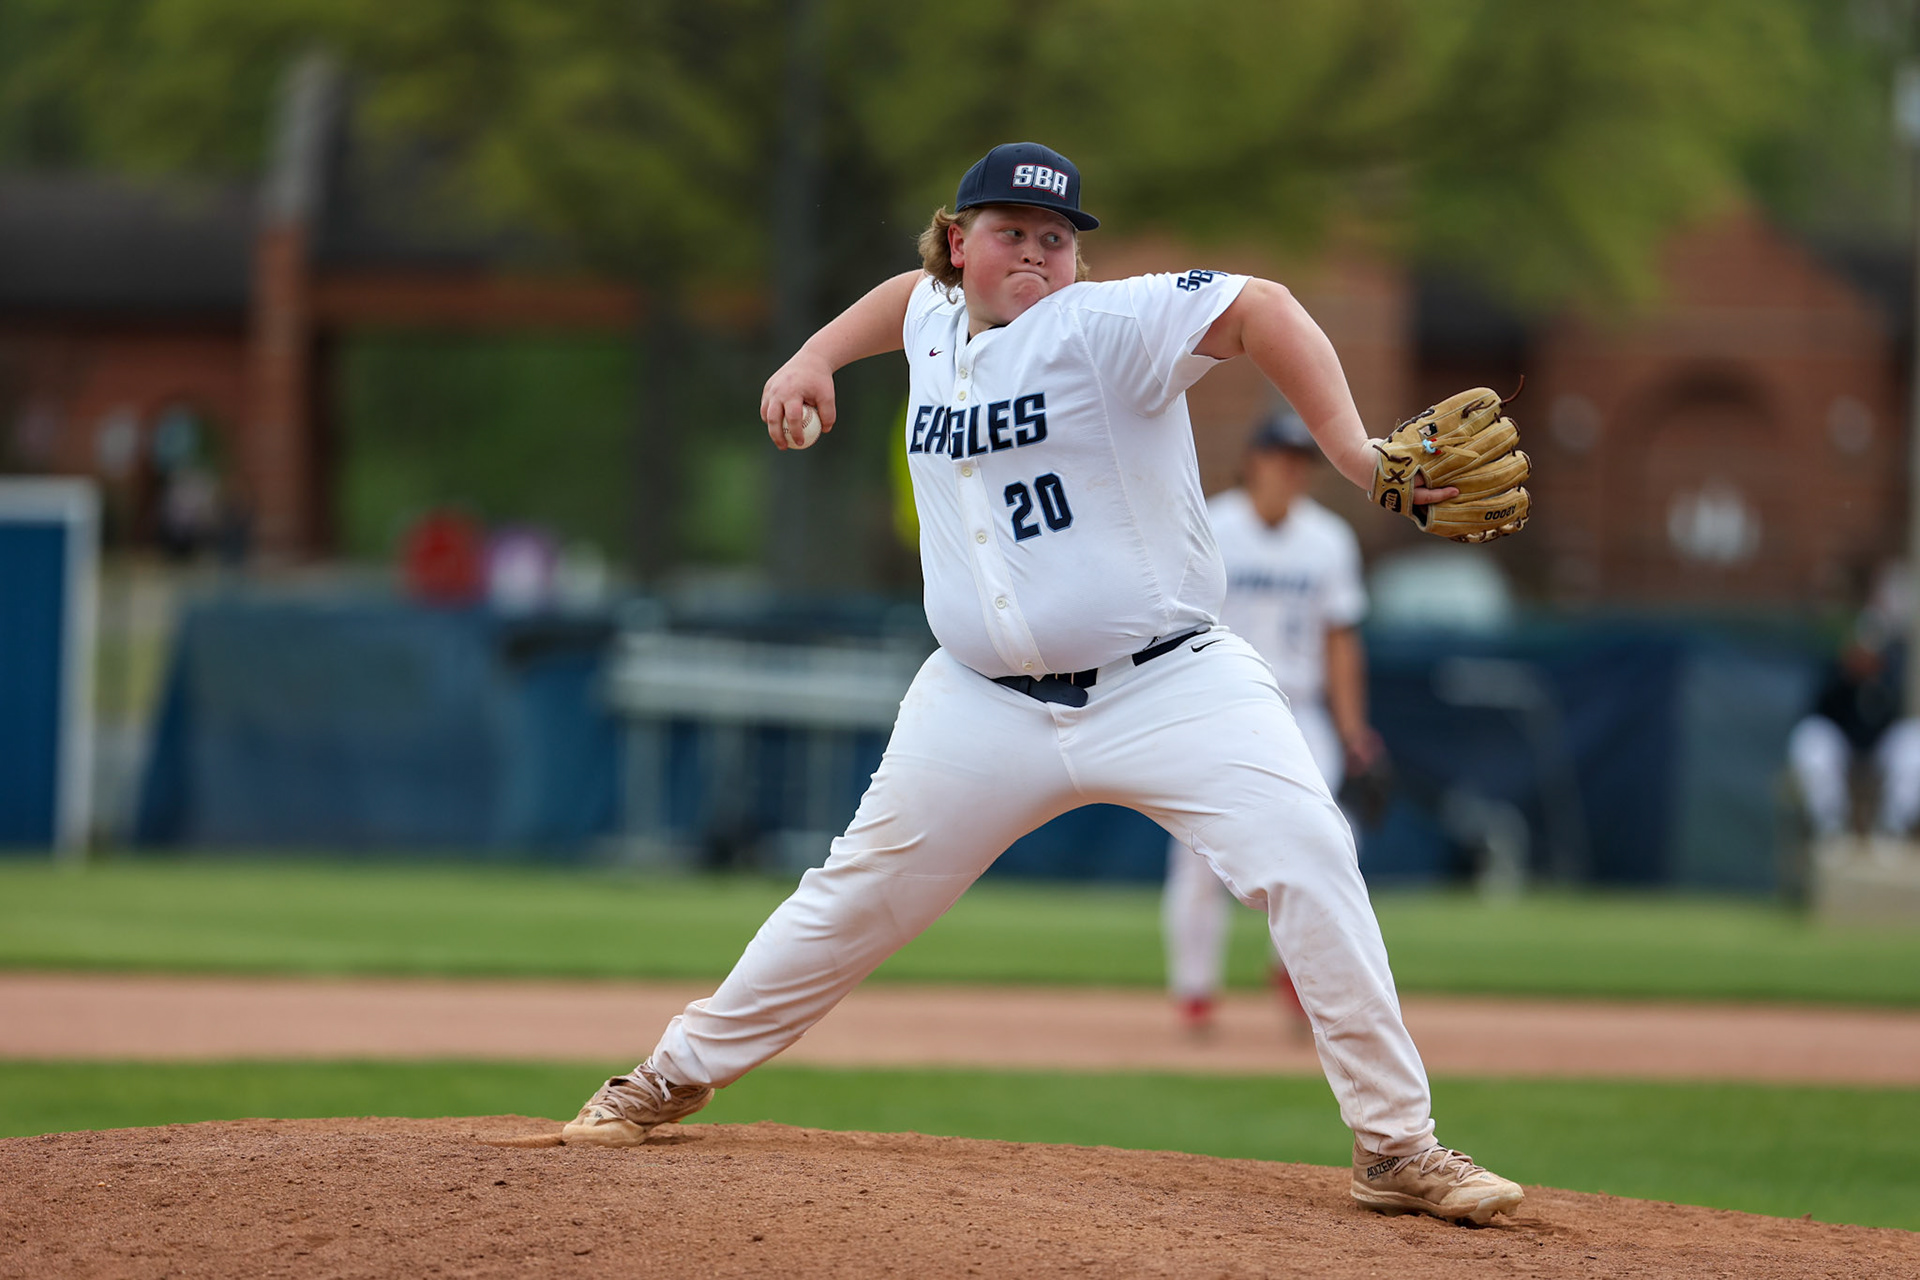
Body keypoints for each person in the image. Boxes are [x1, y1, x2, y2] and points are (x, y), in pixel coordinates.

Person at [562, 141, 1524, 1225]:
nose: (1036, 252)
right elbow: (898, 302)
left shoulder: (1105, 324)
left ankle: (1395, 1146)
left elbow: (1266, 306)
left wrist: (1353, 451)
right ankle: (666, 1075)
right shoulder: (933, 311)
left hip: (1168, 680)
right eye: (1011, 231)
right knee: (853, 893)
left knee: (1309, 852)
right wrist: (810, 358)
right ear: (958, 241)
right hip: (978, 700)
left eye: (1056, 237)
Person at [1162, 405, 1382, 1038]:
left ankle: (1296, 976)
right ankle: (1195, 992)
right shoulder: (1211, 523)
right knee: (1199, 858)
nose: (1290, 471)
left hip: (1299, 708)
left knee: (1329, 844)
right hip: (1213, 706)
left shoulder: (1329, 539)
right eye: (1281, 458)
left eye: (1300, 462)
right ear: (1253, 460)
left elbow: (1342, 639)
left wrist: (1354, 730)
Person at [1788, 610, 1920, 855]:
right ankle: (1831, 829)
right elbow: (1817, 713)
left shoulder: (1891, 677)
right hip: (1841, 748)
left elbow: (1893, 721)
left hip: (1878, 751)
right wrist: (1849, 678)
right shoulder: (1834, 671)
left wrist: (1876, 683)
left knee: (1915, 740)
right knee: (1811, 738)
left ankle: (1893, 829)